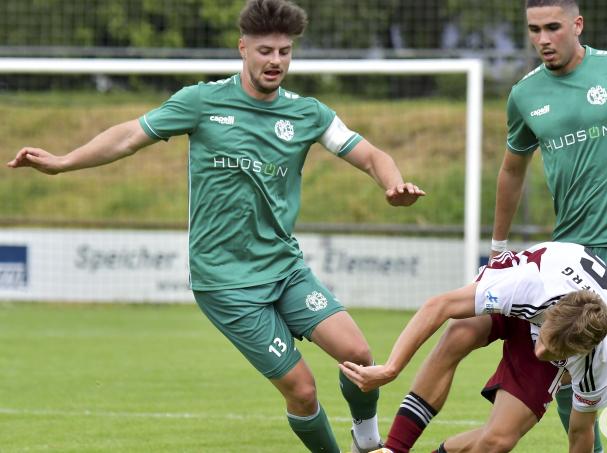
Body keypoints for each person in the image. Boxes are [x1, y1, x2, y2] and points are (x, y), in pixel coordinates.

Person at [6, 1, 425, 452]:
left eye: (284, 52)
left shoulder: (307, 113)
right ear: (242, 48)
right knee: (302, 390)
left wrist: (393, 183)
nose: (276, 61)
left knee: (359, 355)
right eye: (265, 51)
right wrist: (63, 162)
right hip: (225, 283)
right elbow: (128, 137)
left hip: (284, 268)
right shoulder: (201, 102)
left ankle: (368, 442)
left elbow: (371, 155)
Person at [375, 1, 607, 452]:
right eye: (534, 29)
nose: (543, 39)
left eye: (553, 27)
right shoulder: (525, 94)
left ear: (577, 25)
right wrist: (498, 245)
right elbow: (512, 170)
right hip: (569, 247)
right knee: (562, 360)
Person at [340, 242, 607, 453]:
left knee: (498, 441)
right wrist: (391, 369)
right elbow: (440, 305)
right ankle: (394, 449)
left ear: (577, 353)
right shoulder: (530, 286)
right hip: (523, 298)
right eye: (544, 340)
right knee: (459, 334)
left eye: (554, 353)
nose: (540, 352)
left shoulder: (599, 360)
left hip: (560, 322)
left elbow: (581, 433)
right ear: (550, 315)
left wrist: (548, 348)